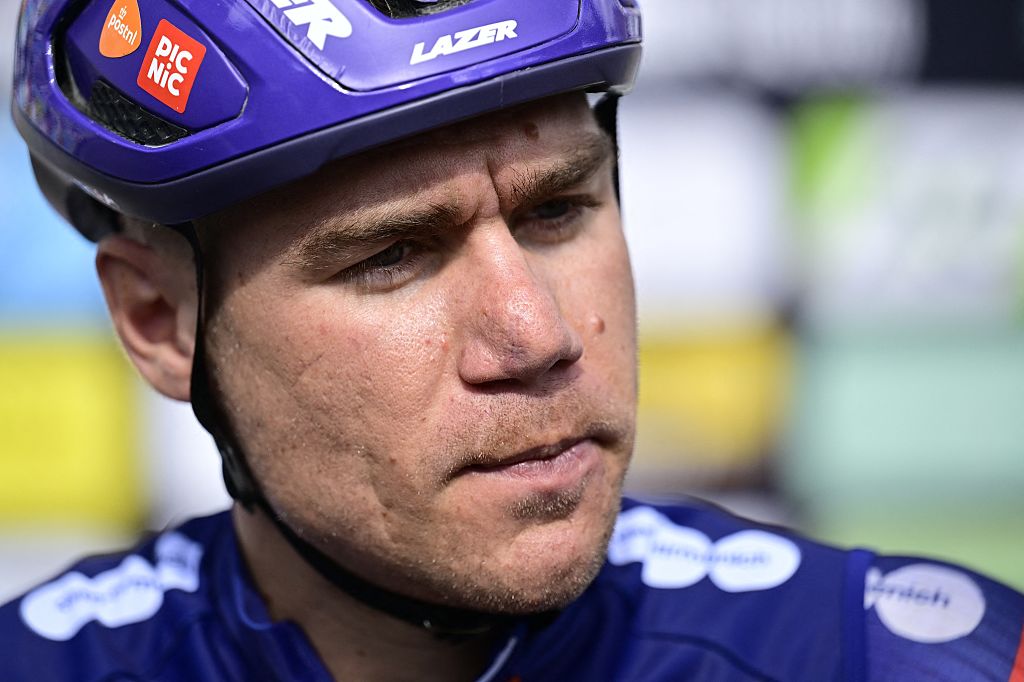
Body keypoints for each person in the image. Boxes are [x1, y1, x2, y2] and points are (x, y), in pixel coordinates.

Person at [3, 0, 1023, 680]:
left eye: (557, 211)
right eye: (392, 254)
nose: (534, 335)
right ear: (161, 323)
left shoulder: (898, 658)